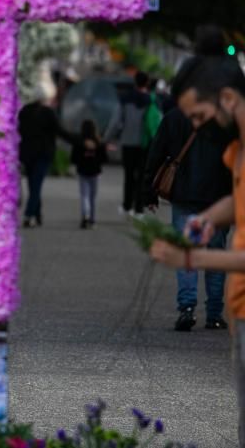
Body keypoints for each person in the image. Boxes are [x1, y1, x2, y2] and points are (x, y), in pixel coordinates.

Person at [149, 55, 245, 446]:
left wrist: (190, 258)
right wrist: (210, 217)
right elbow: (237, 200)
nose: (198, 126)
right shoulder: (235, 149)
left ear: (227, 98)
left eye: (200, 115)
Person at [143, 57, 233, 331]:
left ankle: (187, 308)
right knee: (216, 252)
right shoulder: (225, 121)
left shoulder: (173, 118)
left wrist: (149, 190)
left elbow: (156, 154)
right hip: (218, 197)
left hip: (184, 195)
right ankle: (215, 313)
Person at [17, 92, 69, 227]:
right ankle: (29, 215)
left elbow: (16, 131)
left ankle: (37, 213)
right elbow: (60, 132)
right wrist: (80, 141)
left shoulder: (24, 112)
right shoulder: (48, 113)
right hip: (43, 154)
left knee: (33, 185)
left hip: (27, 154)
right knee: (36, 185)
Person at [104, 71, 151, 216]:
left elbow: (116, 121)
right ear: (147, 83)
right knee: (142, 175)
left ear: (135, 82)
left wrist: (106, 138)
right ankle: (139, 209)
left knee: (129, 175)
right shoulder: (152, 100)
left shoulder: (125, 99)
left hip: (128, 142)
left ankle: (126, 206)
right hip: (145, 144)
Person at [70, 119, 107, 229]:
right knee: (92, 197)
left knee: (84, 195)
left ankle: (85, 215)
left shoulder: (79, 141)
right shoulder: (99, 142)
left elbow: (73, 158)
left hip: (82, 171)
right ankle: (92, 219)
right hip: (95, 172)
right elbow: (104, 158)